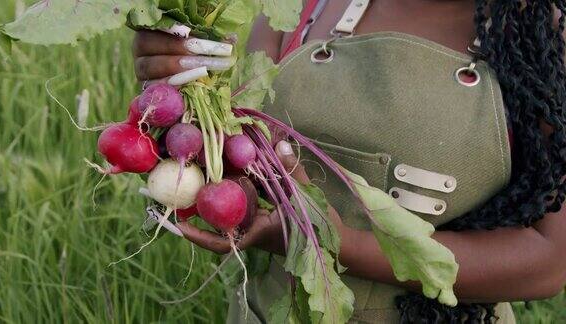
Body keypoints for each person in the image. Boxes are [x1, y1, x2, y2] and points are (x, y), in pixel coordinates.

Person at [132, 0, 566, 323]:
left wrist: (335, 242)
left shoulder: (543, 34)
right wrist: (181, 94)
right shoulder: (302, 5)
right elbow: (246, 158)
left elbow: (550, 261)